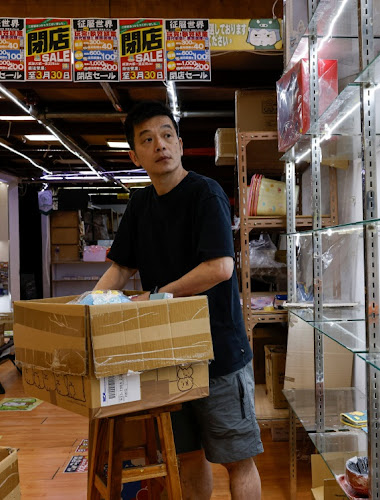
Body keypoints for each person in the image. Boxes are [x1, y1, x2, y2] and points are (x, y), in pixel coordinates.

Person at [94, 101, 263, 499]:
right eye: (148, 139)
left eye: (167, 135)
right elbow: (120, 269)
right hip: (167, 356)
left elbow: (220, 267)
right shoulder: (139, 205)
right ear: (135, 156)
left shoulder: (206, 194)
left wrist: (156, 296)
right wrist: (90, 307)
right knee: (186, 457)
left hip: (217, 352)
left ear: (181, 144)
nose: (160, 145)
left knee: (237, 460)